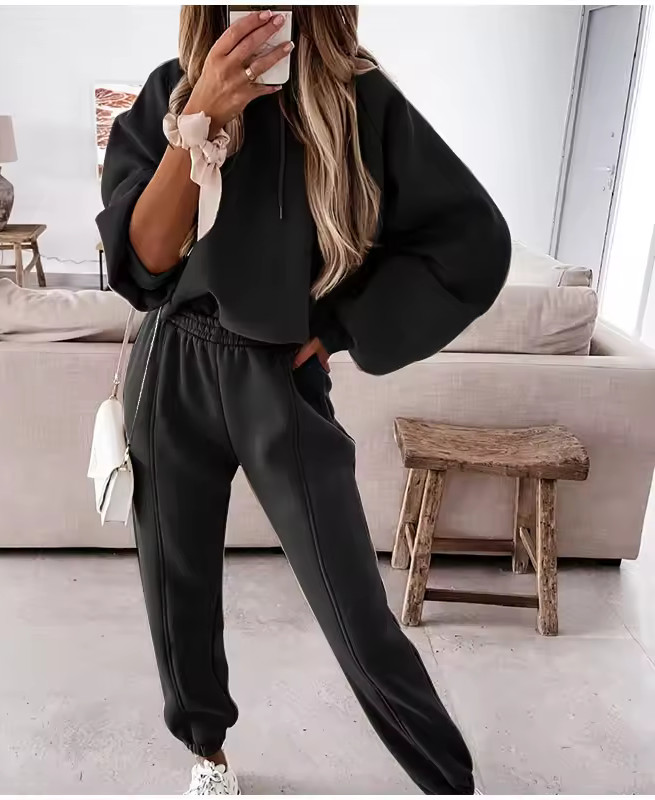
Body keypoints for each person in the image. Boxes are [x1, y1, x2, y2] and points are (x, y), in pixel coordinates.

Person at [97, 6, 509, 795]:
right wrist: (201, 118)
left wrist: (343, 326)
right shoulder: (169, 92)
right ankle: (207, 754)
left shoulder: (361, 101)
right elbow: (142, 266)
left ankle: (447, 781)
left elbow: (472, 242)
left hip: (279, 371)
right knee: (175, 588)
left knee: (355, 609)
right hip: (170, 366)